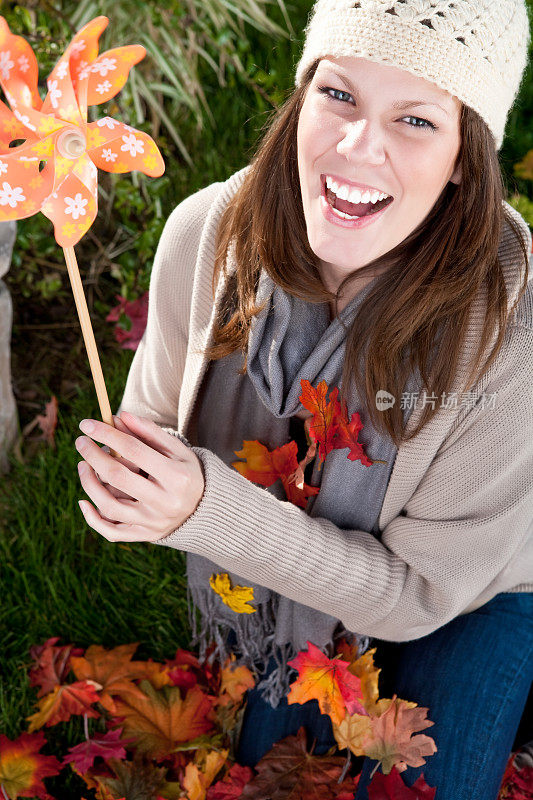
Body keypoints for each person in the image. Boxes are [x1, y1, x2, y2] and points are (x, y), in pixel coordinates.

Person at [74, 0, 533, 797]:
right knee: (277, 782)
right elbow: (150, 415)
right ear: (301, 95)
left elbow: (416, 593)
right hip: (291, 584)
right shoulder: (209, 234)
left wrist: (204, 510)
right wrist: (132, 480)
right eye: (339, 94)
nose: (358, 148)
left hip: (469, 590)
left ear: (465, 156)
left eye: (416, 122)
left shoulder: (509, 323)